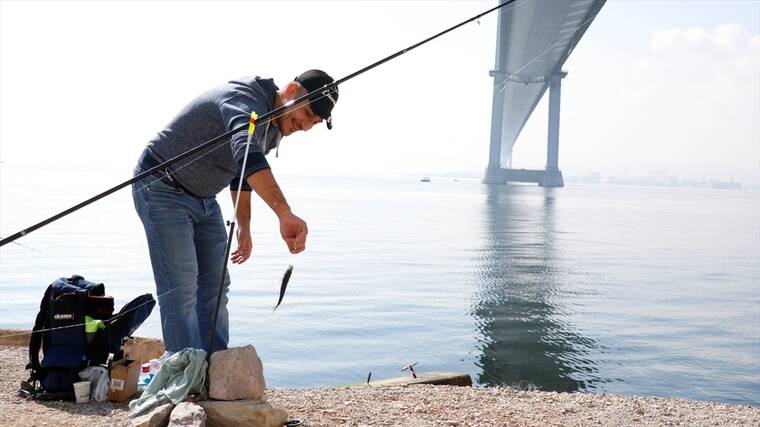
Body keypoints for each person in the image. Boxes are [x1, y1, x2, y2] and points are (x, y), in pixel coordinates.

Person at [132, 70, 338, 355]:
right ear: (290, 91)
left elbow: (241, 175)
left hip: (203, 198)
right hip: (161, 185)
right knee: (181, 288)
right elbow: (246, 153)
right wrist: (284, 213)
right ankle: (182, 373)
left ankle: (216, 368)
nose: (304, 127)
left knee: (216, 287)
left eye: (313, 123)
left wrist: (244, 225)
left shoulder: (273, 126)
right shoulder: (245, 102)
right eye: (306, 115)